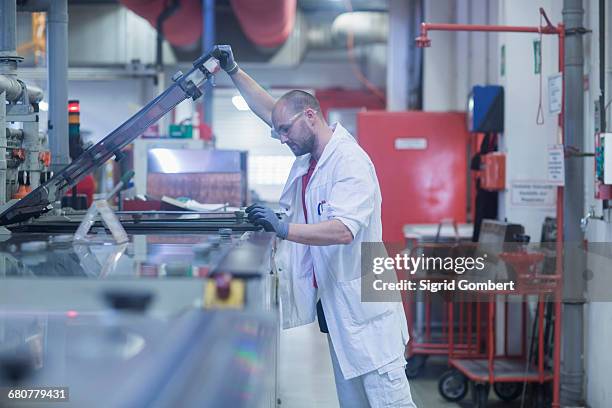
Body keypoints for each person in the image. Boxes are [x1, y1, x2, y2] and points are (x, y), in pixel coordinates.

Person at [210, 45, 417, 408]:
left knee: (390, 402)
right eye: (279, 133)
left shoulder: (348, 161)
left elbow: (342, 230)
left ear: (310, 116)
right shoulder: (312, 156)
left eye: (286, 131)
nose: (282, 138)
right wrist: (234, 71)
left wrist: (284, 228)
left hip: (368, 307)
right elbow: (272, 112)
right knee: (354, 403)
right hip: (341, 309)